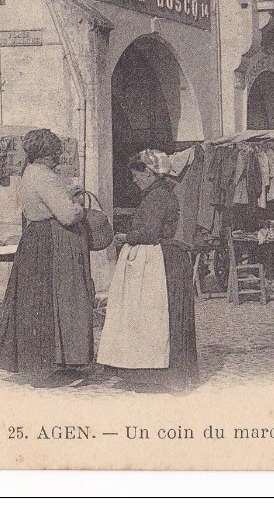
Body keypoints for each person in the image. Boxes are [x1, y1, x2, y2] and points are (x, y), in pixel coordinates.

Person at [0, 129, 94, 387]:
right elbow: (67, 215)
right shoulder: (46, 176)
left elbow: (47, 203)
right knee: (57, 301)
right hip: (52, 243)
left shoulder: (29, 173)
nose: (59, 156)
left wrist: (66, 194)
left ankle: (37, 363)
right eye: (55, 152)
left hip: (35, 240)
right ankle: (57, 364)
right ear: (46, 154)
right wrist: (78, 206)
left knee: (33, 303)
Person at [97, 149, 198, 392]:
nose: (134, 180)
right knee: (156, 318)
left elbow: (149, 233)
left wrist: (125, 236)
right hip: (162, 258)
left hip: (159, 261)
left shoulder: (157, 197)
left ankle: (159, 373)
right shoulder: (160, 194)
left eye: (137, 175)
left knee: (155, 318)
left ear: (151, 173)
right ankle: (161, 374)